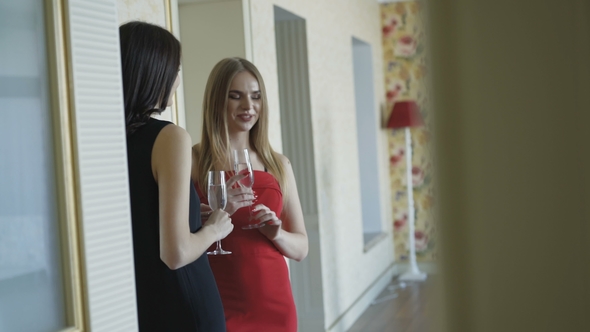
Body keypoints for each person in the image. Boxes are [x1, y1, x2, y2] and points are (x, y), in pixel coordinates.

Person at [120, 21, 231, 331]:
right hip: (185, 305)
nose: (178, 79)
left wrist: (194, 211)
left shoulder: (104, 140)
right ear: (155, 72)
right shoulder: (170, 138)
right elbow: (176, 253)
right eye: (175, 69)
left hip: (140, 305)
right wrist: (213, 229)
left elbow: (142, 215)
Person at [192, 57, 309, 332]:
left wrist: (277, 234)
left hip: (275, 304)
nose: (248, 106)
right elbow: (176, 237)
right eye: (236, 96)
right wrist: (215, 213)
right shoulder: (193, 160)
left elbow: (302, 248)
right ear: (217, 102)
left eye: (256, 97)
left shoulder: (279, 164)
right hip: (218, 300)